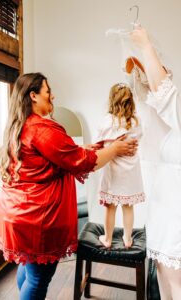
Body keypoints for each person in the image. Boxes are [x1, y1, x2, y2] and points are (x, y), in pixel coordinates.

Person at [0, 72, 138, 300]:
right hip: (35, 220)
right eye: (48, 92)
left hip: (17, 213)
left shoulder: (20, 125)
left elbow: (64, 154)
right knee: (38, 278)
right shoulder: (42, 129)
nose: (53, 96)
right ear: (33, 96)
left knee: (29, 268)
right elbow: (83, 161)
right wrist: (115, 150)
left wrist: (93, 147)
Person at [131, 27, 181, 300]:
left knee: (175, 286)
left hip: (175, 214)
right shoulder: (168, 124)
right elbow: (159, 99)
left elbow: (166, 97)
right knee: (166, 284)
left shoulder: (174, 112)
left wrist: (146, 45)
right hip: (163, 210)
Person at [96, 83, 145, 249]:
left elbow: (99, 142)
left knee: (110, 207)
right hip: (130, 171)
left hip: (113, 171)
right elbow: (139, 138)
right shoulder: (135, 122)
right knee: (128, 205)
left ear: (112, 100)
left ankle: (108, 239)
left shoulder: (108, 121)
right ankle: (128, 239)